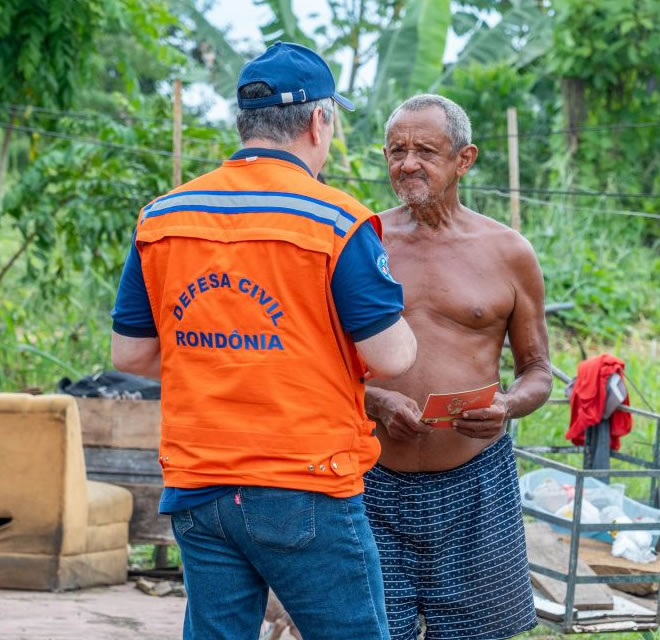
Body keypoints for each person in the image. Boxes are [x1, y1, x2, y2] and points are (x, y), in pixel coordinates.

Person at [110, 42, 417, 640]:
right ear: (317, 121)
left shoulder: (163, 218)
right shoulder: (334, 221)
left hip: (198, 486)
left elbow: (132, 354)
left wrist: (226, 354)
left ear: (244, 123)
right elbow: (392, 355)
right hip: (304, 482)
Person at [362, 94, 553, 640]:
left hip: (477, 480)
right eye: (397, 150)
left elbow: (538, 370)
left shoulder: (507, 251)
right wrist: (373, 400)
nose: (408, 163)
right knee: (369, 629)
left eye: (426, 150)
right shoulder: (360, 241)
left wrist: (507, 406)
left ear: (464, 159)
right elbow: (323, 361)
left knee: (479, 633)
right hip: (371, 476)